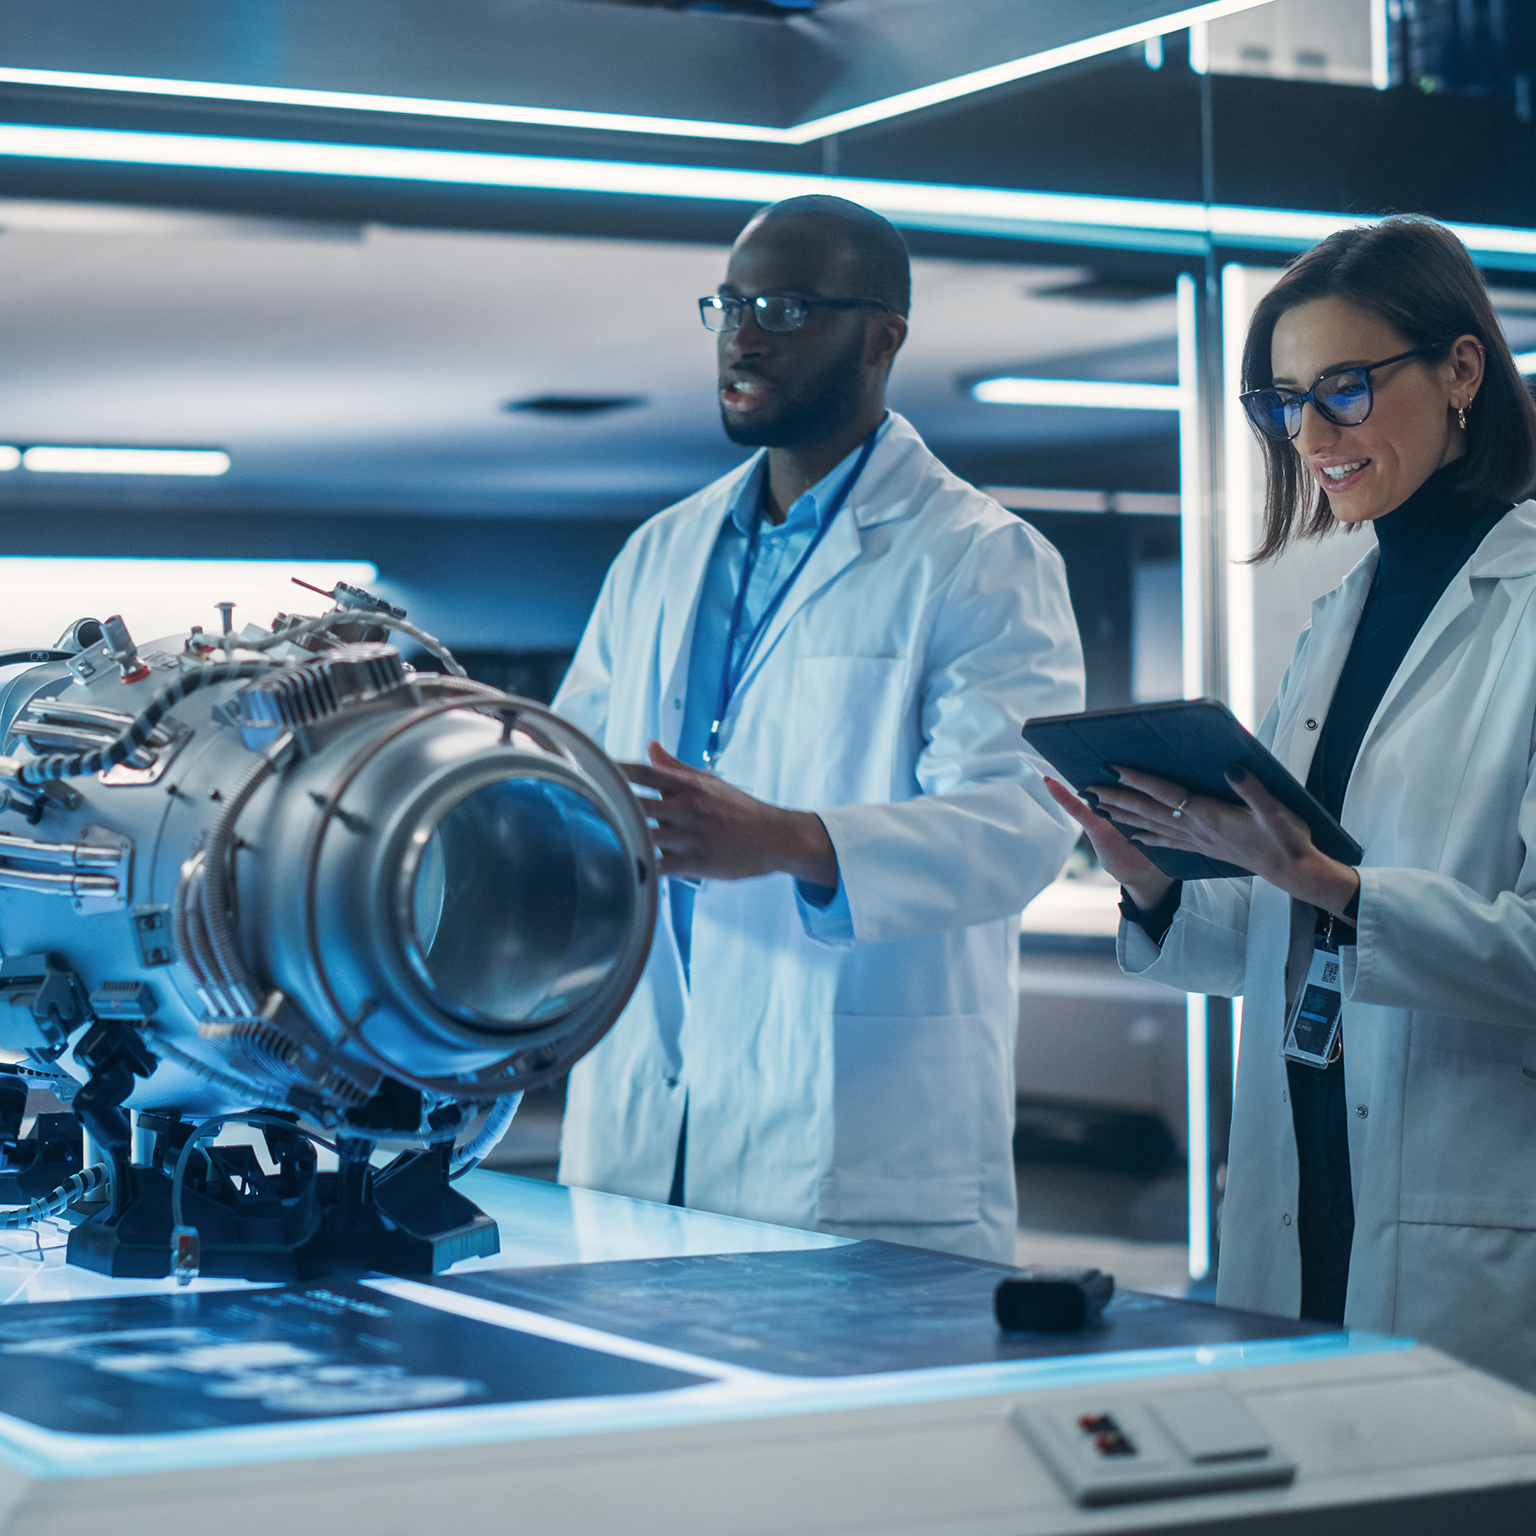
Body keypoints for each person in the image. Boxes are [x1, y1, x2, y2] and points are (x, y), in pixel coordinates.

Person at [1048, 215, 1536, 1387]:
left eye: (1347, 389)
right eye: (1283, 403)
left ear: (1461, 370)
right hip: (1306, 1191)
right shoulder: (1335, 623)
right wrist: (1159, 874)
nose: (1311, 434)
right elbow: (1289, 935)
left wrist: (1331, 885)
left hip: (1464, 1214)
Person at [553, 195, 1085, 1264]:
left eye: (789, 308)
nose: (745, 336)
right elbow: (569, 773)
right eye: (733, 304)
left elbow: (1022, 822)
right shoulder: (663, 551)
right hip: (644, 1125)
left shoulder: (980, 556)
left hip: (856, 1137)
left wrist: (796, 842)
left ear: (884, 335)